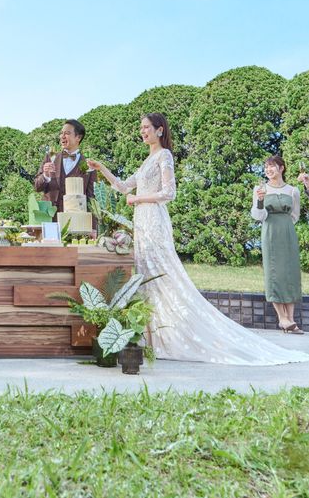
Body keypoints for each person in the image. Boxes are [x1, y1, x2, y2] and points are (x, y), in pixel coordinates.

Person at [88, 112, 308, 365]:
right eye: (141, 128)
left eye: (147, 127)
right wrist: (101, 168)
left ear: (160, 130)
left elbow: (169, 193)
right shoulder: (147, 159)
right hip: (142, 220)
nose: (143, 131)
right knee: (147, 273)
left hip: (154, 219)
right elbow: (123, 186)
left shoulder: (164, 155)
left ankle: (169, 334)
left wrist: (138, 199)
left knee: (162, 271)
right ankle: (154, 335)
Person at [252, 156, 304, 334]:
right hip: (270, 232)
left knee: (290, 273)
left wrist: (286, 226)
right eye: (266, 167)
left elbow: (295, 215)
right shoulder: (260, 189)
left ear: (281, 168)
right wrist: (260, 201)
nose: (268, 170)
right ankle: (282, 318)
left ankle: (291, 319)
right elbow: (258, 216)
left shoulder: (293, 190)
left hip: (288, 233)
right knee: (274, 272)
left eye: (272, 166)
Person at [34, 119, 96, 222]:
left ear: (78, 137)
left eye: (67, 133)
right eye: (61, 133)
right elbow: (37, 187)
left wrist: (92, 227)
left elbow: (91, 199)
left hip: (76, 221)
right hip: (50, 219)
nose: (62, 136)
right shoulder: (50, 158)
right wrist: (45, 175)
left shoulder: (89, 165)